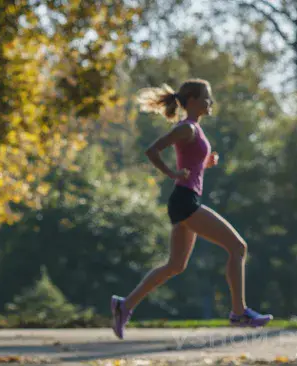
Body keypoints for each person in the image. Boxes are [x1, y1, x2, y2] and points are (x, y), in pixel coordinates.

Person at [109, 79, 272, 340]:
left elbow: (191, 163)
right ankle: (238, 311)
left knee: (175, 265)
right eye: (206, 97)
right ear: (193, 100)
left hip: (185, 199)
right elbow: (152, 151)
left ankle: (124, 305)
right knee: (238, 247)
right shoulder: (187, 128)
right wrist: (172, 172)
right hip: (186, 201)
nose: (210, 102)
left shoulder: (194, 129)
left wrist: (205, 163)